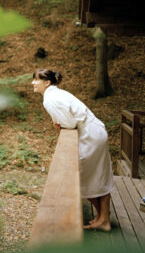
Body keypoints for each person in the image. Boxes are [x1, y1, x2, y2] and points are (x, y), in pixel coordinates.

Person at [31, 68, 114, 231]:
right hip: (93, 132)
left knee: (84, 177)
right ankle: (102, 218)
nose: (32, 83)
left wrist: (61, 124)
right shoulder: (56, 94)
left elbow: (69, 124)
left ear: (47, 83)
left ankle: (104, 219)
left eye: (36, 80)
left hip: (90, 136)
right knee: (96, 176)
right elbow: (69, 120)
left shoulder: (50, 99)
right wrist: (61, 123)